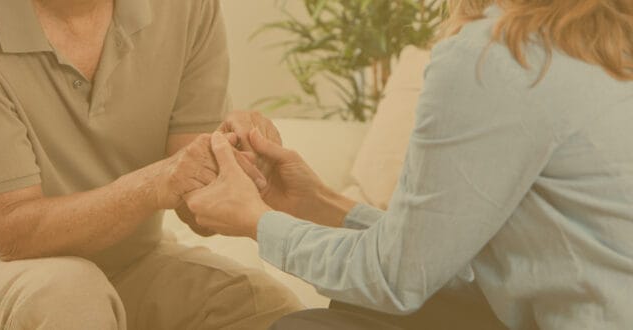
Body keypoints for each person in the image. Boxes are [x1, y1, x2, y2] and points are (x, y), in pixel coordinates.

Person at [185, 0, 633, 329]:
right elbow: (443, 261)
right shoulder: (604, 38)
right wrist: (318, 203)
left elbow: (396, 280)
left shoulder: (499, 52)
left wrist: (257, 221)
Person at [0, 0, 304, 328]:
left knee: (263, 307)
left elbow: (197, 206)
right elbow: (15, 234)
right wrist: (158, 181)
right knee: (68, 293)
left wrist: (236, 162)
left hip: (120, 262)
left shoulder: (186, 7)